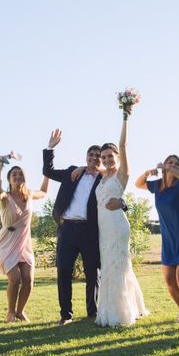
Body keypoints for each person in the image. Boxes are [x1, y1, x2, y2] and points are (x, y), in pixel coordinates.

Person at [43, 129, 125, 325]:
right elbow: (48, 171)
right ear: (86, 157)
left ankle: (92, 311)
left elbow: (116, 195)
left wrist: (123, 204)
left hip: (90, 231)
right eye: (92, 155)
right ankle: (66, 315)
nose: (95, 158)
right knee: (63, 270)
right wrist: (50, 148)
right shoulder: (73, 171)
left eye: (99, 156)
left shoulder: (103, 179)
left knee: (92, 273)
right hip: (68, 229)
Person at [136, 155, 179, 323]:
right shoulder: (157, 185)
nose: (173, 165)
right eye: (170, 162)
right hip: (169, 239)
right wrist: (147, 173)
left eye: (176, 163)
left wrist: (170, 169)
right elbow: (138, 184)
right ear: (164, 165)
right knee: (169, 280)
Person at [95, 114, 147, 327]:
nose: (107, 159)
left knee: (119, 266)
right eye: (104, 157)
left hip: (117, 226)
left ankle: (121, 313)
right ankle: (109, 310)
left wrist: (125, 116)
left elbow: (123, 144)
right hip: (103, 227)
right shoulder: (102, 176)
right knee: (108, 266)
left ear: (117, 156)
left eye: (110, 156)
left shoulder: (122, 173)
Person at [0, 162, 49, 323]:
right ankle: (10, 312)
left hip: (24, 243)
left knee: (28, 280)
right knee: (15, 278)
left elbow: (44, 192)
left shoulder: (29, 194)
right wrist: (0, 168)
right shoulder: (5, 197)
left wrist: (48, 172)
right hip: (7, 243)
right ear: (9, 180)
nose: (18, 176)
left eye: (20, 174)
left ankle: (20, 311)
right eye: (14, 175)